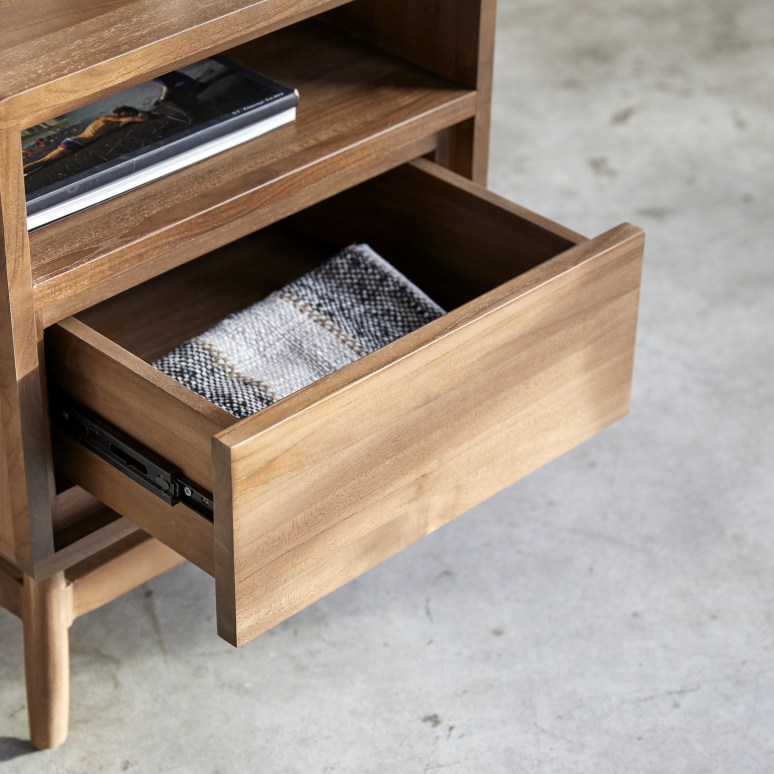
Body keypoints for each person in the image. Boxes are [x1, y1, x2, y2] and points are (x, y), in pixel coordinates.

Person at [23, 106, 148, 174]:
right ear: (122, 113)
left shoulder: (113, 121)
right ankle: (17, 178)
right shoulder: (109, 118)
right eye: (128, 114)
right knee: (44, 161)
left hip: (78, 142)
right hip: (76, 142)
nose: (127, 116)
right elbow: (136, 119)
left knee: (45, 163)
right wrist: (140, 116)